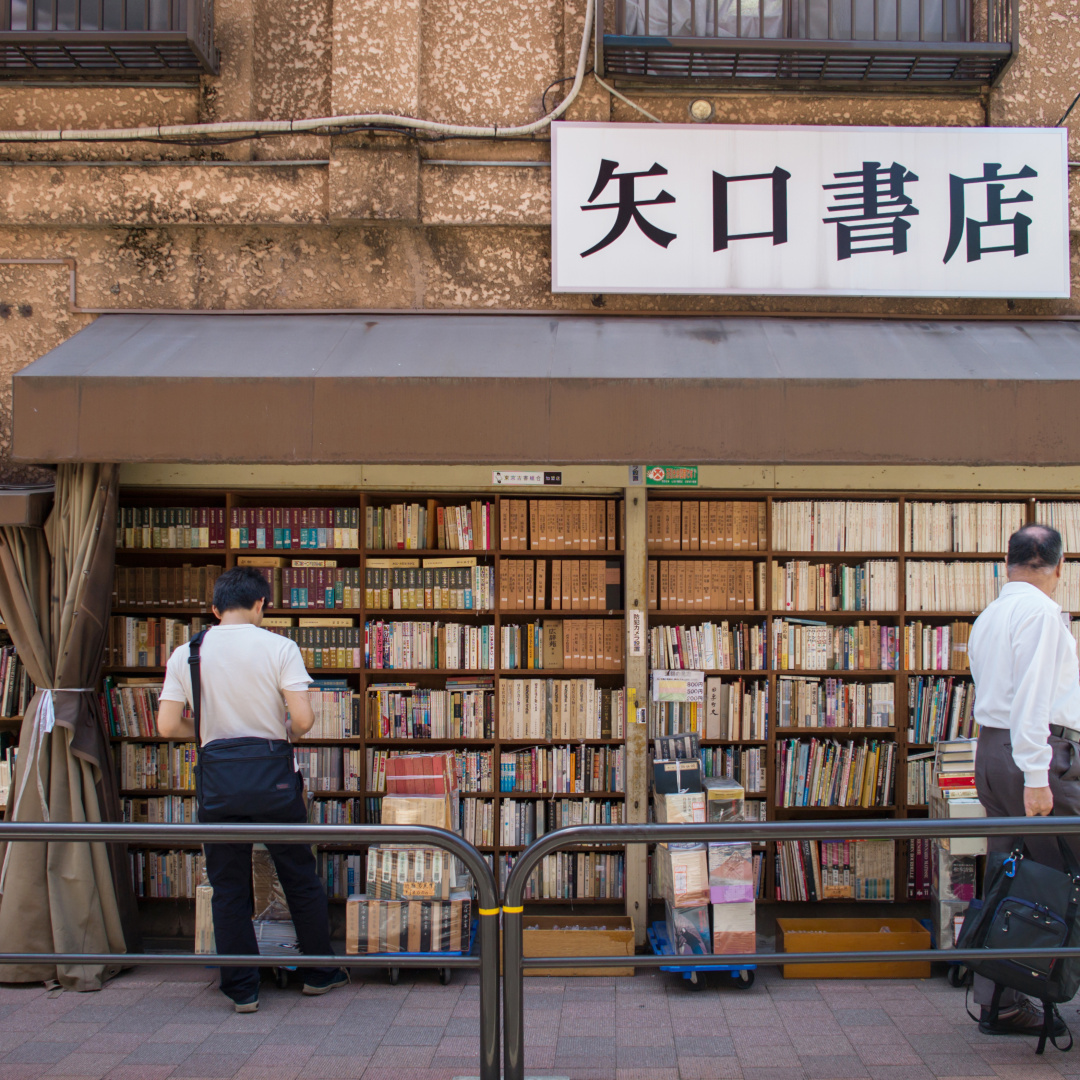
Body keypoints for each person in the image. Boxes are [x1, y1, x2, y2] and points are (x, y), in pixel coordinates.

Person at [157, 566, 349, 1012]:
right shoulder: (279, 647)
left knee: (228, 886)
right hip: (273, 780)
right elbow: (303, 720)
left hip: (219, 782)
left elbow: (167, 725)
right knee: (298, 875)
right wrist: (278, 733)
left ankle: (242, 988)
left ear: (215, 608)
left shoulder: (188, 653)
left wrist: (209, 731)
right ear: (261, 603)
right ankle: (319, 973)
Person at [968, 523, 1080, 1037]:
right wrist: (1037, 774)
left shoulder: (989, 615)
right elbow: (1034, 700)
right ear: (1060, 566)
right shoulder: (1041, 614)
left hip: (992, 751)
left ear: (1005, 561)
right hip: (1036, 756)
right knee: (1065, 872)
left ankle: (999, 1000)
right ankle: (1028, 993)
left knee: (1008, 873)